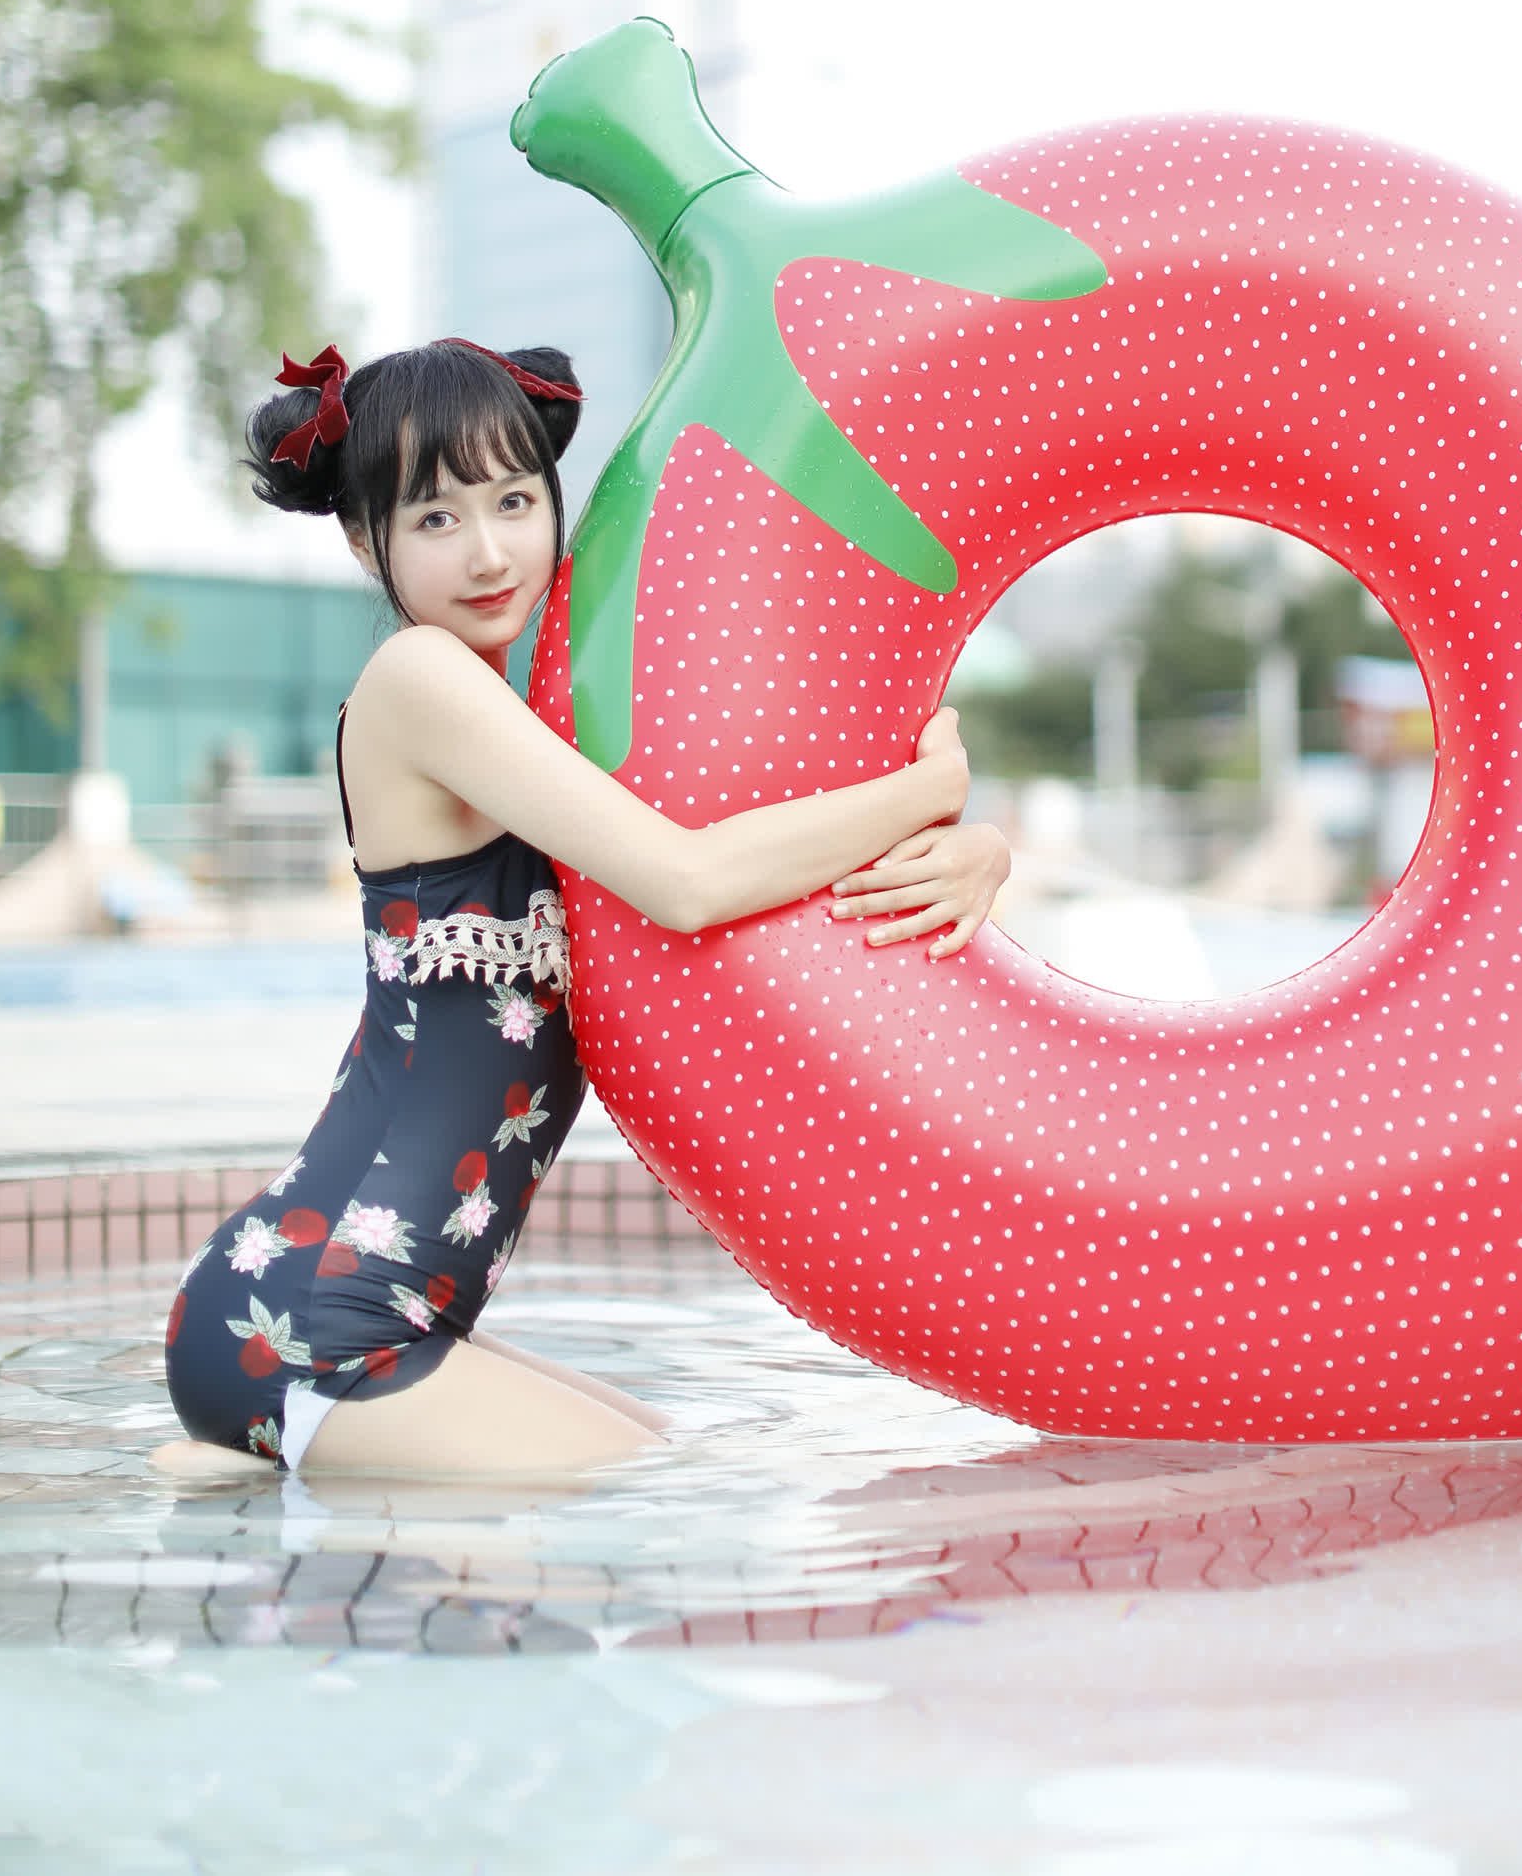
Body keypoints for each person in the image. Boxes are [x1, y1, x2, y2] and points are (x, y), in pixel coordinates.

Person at [155, 337, 1009, 1485]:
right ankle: (270, 1436)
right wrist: (931, 787)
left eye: (514, 500)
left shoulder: (536, 718)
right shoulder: (421, 680)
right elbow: (687, 880)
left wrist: (973, 849)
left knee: (670, 1455)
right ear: (364, 540)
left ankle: (246, 1464)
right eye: (436, 517)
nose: (489, 550)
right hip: (312, 1319)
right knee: (652, 1491)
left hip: (384, 1310)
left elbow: (758, 854)